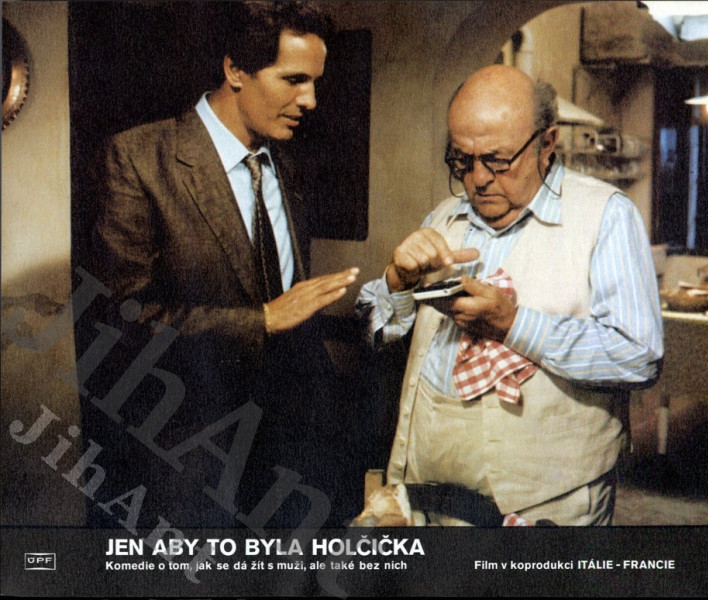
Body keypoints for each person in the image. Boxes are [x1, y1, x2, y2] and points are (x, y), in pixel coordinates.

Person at [79, 1, 359, 529]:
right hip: (188, 467)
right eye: (294, 79)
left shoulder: (288, 162)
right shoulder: (138, 158)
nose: (311, 100)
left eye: (315, 82)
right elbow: (121, 320)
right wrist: (262, 320)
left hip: (291, 464)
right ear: (235, 70)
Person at [357, 65, 663, 526]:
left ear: (547, 143)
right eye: (461, 160)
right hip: (428, 494)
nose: (477, 179)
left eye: (497, 160)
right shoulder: (443, 216)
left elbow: (639, 356)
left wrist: (514, 325)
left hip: (547, 505)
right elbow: (374, 335)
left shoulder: (605, 216)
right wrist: (397, 283)